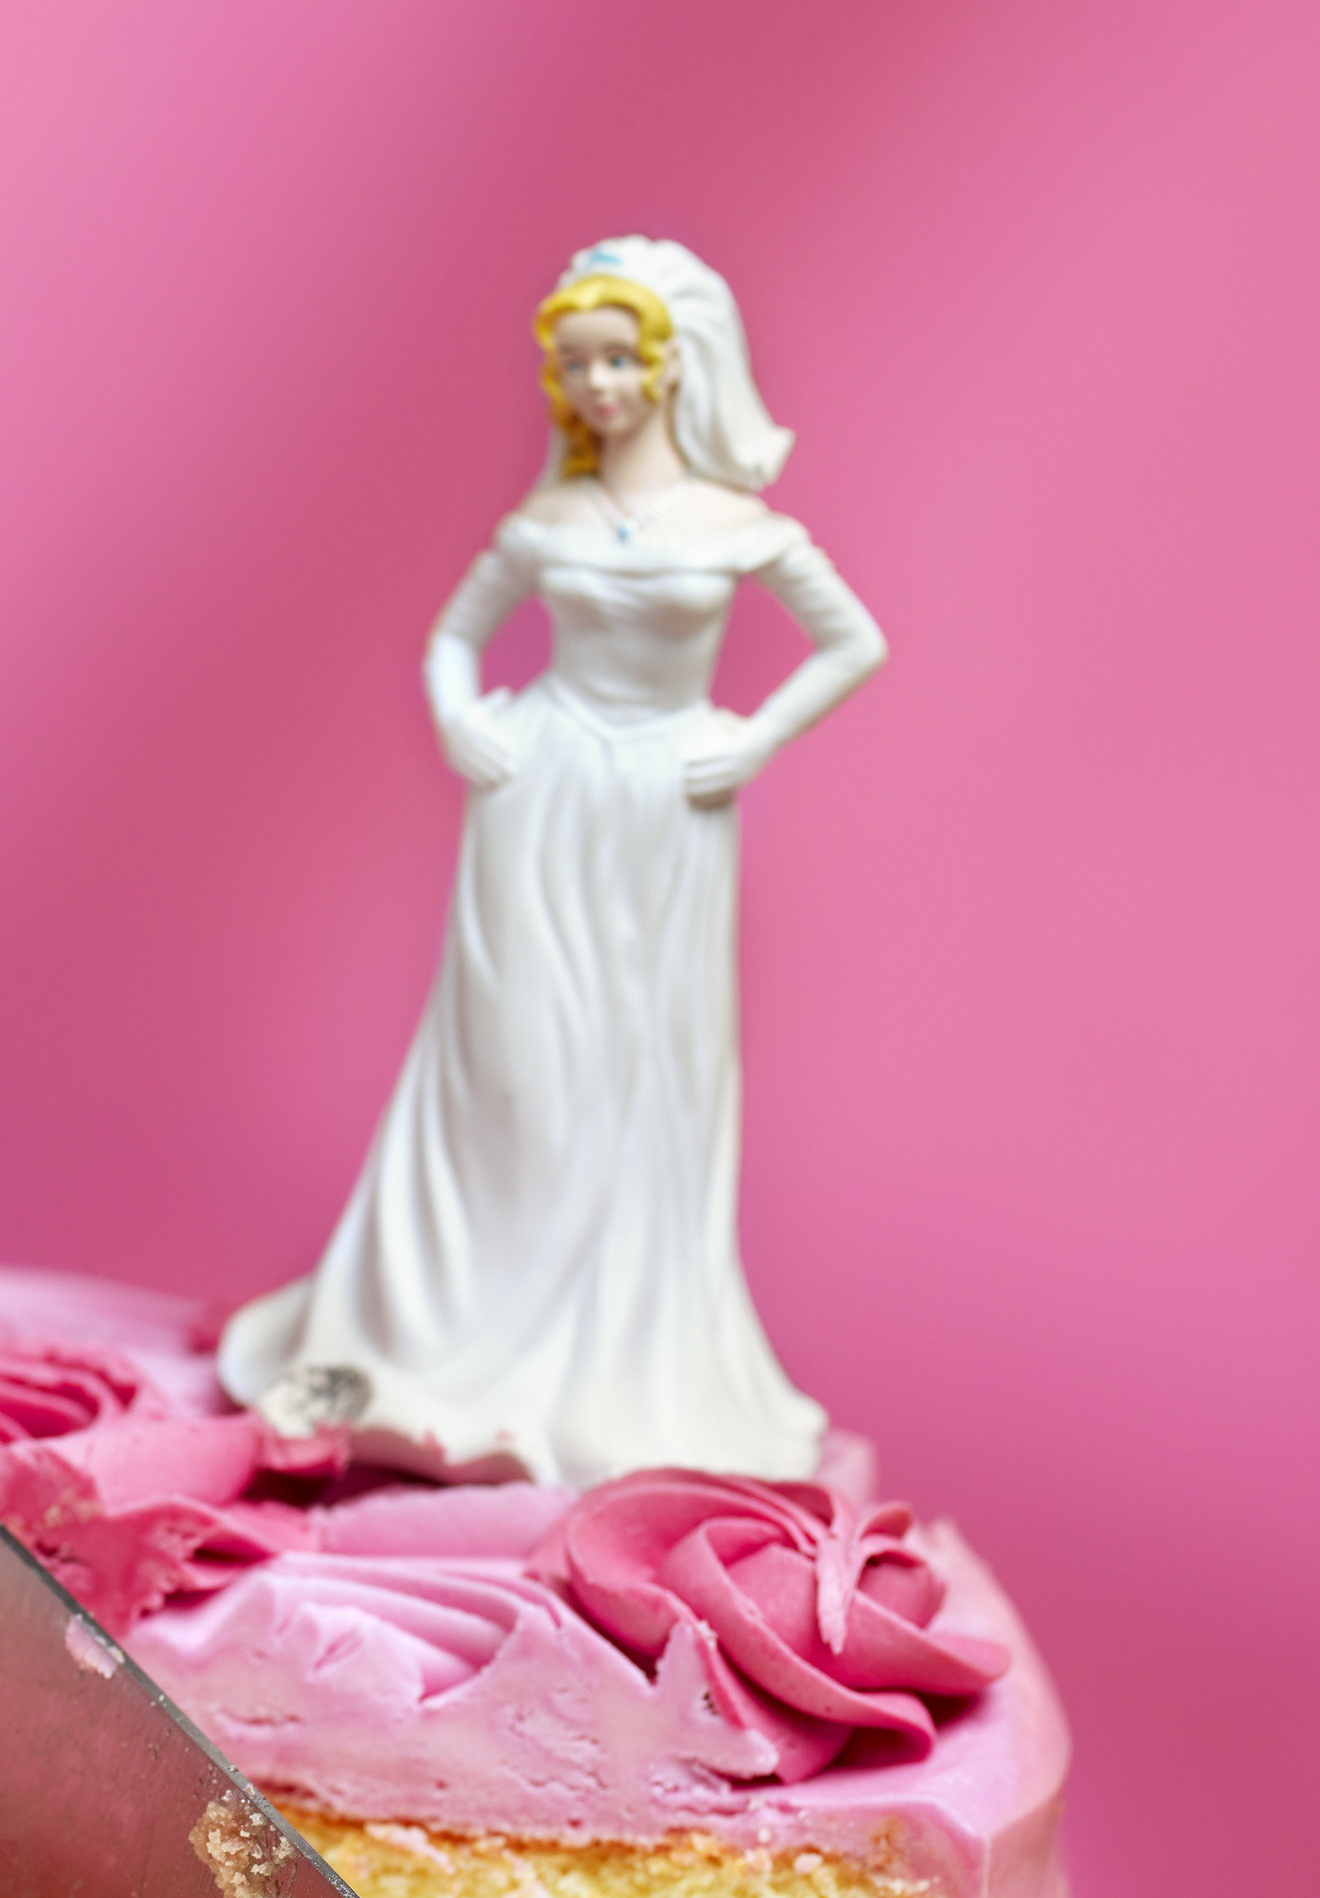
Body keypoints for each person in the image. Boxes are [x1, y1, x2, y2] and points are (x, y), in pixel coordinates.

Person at [219, 238, 887, 1485]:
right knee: (510, 1063)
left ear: (669, 366)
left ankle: (601, 1355)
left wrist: (749, 738)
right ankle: (447, 1324)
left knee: (637, 1065)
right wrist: (464, 718)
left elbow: (850, 643)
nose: (594, 387)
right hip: (543, 795)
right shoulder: (545, 522)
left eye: (615, 361)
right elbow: (452, 638)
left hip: (661, 811)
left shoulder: (735, 529)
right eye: (573, 366)